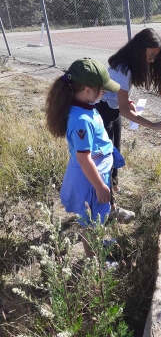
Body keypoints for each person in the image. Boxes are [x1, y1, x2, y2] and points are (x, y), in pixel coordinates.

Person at [45, 58, 121, 257]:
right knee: (91, 224)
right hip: (90, 182)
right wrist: (100, 187)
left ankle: (100, 244)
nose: (105, 93)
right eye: (103, 90)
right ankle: (93, 261)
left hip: (97, 175)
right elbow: (84, 159)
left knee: (98, 220)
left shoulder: (85, 107)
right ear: (88, 90)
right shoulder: (81, 120)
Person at [96, 27, 161, 195]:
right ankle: (106, 196)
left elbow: (120, 97)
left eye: (155, 57)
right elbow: (125, 111)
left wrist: (127, 101)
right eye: (151, 55)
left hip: (112, 109)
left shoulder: (129, 65)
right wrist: (153, 125)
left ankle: (114, 187)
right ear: (139, 49)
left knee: (115, 150)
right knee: (106, 154)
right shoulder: (124, 69)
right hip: (102, 111)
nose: (152, 61)